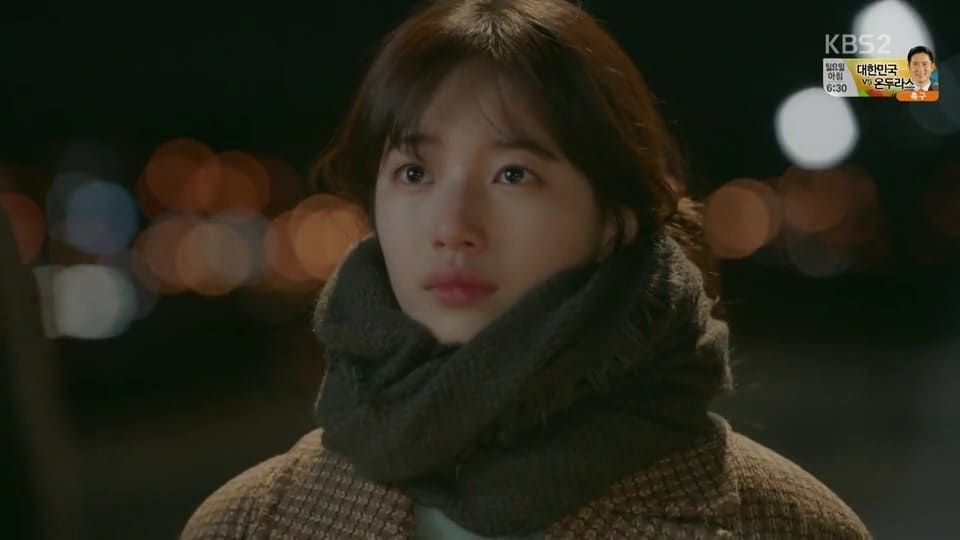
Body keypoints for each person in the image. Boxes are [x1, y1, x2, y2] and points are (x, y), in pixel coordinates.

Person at [182, 1, 871, 537]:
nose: (453, 226)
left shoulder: (786, 525)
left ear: (615, 216)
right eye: (415, 173)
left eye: (513, 174)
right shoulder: (249, 525)